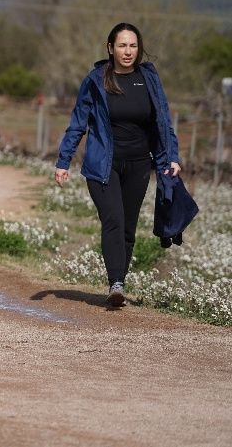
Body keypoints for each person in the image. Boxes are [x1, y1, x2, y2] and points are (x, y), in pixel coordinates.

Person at [55, 22, 181, 307]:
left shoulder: (148, 78)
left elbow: (162, 121)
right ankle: (116, 282)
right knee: (113, 220)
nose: (128, 51)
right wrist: (63, 161)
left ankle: (118, 282)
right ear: (110, 48)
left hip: (139, 164)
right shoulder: (96, 80)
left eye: (133, 45)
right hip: (103, 165)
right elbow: (78, 123)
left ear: (139, 49)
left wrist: (172, 156)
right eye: (122, 45)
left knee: (128, 226)